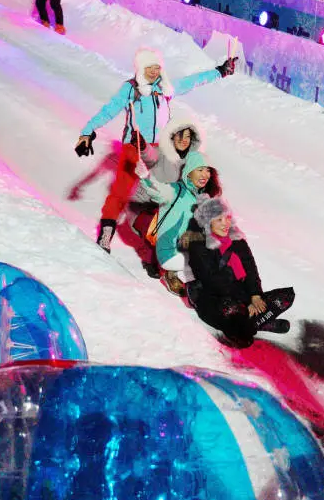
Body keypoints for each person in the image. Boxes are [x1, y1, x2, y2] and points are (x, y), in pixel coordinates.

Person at [76, 50, 235, 253]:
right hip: (135, 146)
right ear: (140, 68)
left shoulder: (165, 88)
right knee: (121, 191)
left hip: (161, 149)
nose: (153, 72)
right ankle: (106, 232)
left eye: (157, 67)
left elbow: (194, 80)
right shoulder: (131, 89)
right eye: (148, 67)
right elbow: (109, 110)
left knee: (165, 192)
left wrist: (220, 71)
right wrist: (88, 131)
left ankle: (159, 238)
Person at [185, 196, 294, 347]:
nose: (225, 224)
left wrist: (255, 296)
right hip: (213, 299)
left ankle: (253, 323)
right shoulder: (199, 245)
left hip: (240, 294)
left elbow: (250, 270)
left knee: (286, 297)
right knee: (231, 311)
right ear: (208, 223)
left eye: (227, 218)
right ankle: (257, 323)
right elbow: (212, 281)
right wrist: (244, 303)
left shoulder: (238, 241)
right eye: (219, 220)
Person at [126, 118, 205, 278]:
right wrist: (142, 146)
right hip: (146, 204)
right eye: (180, 135)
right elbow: (150, 155)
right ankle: (152, 259)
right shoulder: (162, 153)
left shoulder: (192, 161)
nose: (184, 140)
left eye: (188, 136)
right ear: (172, 136)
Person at [136, 149, 220, 294]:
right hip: (169, 244)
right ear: (189, 172)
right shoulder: (177, 191)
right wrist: (146, 177)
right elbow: (159, 191)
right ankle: (170, 274)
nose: (205, 175)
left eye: (207, 171)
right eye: (200, 170)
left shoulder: (204, 197)